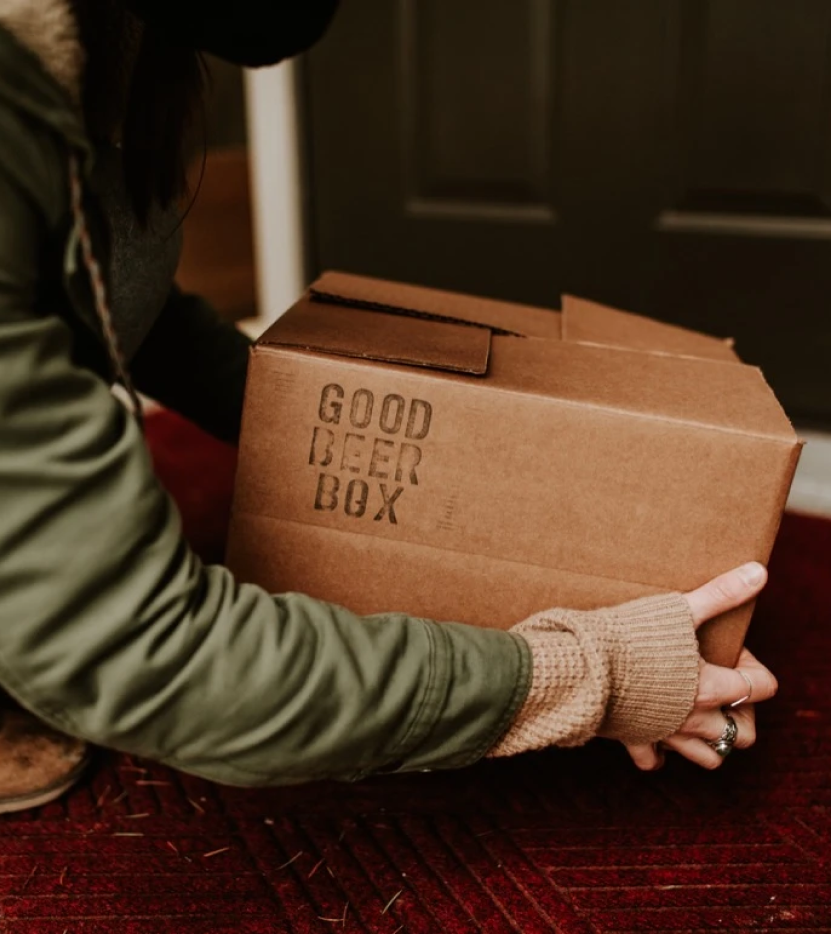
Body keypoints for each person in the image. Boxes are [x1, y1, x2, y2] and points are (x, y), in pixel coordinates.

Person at [0, 0, 779, 815]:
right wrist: (600, 675)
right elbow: (159, 655)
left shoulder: (117, 35)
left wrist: (415, 439)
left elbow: (126, 308)